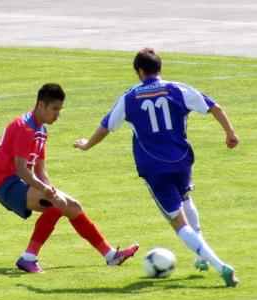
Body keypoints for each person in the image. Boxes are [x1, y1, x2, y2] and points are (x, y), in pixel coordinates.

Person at [74, 48, 239, 287]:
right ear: (159, 68)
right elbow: (214, 106)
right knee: (185, 198)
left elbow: (106, 126)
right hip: (181, 160)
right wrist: (230, 133)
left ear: (140, 72)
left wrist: (87, 145)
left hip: (154, 167)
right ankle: (199, 256)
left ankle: (219, 264)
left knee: (179, 224)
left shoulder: (130, 97)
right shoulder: (177, 89)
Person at [0, 83, 139, 273]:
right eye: (55, 109)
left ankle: (110, 256)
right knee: (58, 204)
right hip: (6, 184)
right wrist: (46, 192)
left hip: (19, 181)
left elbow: (40, 168)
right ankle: (28, 258)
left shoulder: (41, 130)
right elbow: (20, 169)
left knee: (73, 206)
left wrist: (50, 190)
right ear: (41, 105)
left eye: (60, 109)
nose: (58, 115)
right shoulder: (24, 127)